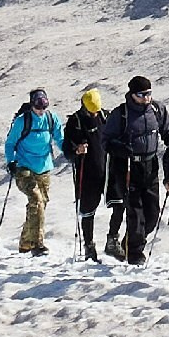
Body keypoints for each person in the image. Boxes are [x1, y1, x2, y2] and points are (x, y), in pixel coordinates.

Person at [101, 76, 169, 264]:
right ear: (132, 94)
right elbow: (106, 141)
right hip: (128, 166)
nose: (146, 98)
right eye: (142, 95)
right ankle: (135, 254)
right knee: (135, 212)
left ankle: (129, 243)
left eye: (149, 94)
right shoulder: (121, 114)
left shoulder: (157, 110)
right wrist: (119, 147)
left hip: (150, 165)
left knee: (152, 214)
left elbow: (167, 132)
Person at [3, 89, 66, 255]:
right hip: (24, 167)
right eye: (38, 108)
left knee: (39, 205)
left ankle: (25, 243)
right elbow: (10, 144)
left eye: (44, 108)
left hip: (44, 167)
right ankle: (38, 244)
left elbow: (60, 139)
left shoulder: (51, 119)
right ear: (32, 106)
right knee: (36, 200)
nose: (41, 111)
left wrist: (70, 151)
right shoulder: (22, 121)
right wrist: (11, 162)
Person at [64, 88, 111, 261]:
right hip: (87, 171)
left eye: (96, 110)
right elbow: (66, 149)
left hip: (106, 169)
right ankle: (89, 246)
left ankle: (114, 241)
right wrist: (77, 150)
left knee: (120, 203)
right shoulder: (75, 121)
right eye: (91, 111)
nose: (94, 114)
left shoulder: (105, 116)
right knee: (88, 209)